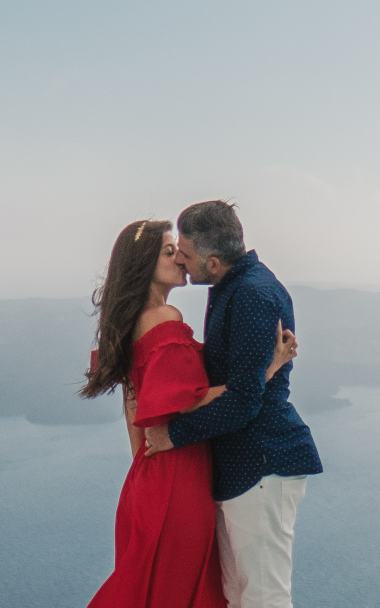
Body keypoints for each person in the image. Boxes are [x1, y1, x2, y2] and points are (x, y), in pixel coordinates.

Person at [81, 219, 297, 608]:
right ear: (144, 265)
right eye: (169, 251)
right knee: (181, 590)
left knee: (155, 586)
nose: (179, 257)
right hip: (181, 473)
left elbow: (134, 405)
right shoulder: (165, 319)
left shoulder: (132, 325)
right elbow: (187, 398)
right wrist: (268, 369)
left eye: (178, 250)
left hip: (151, 476)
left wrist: (147, 467)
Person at [142, 201, 322, 608]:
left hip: (263, 462)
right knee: (237, 598)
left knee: (263, 598)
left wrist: (173, 435)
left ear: (216, 262)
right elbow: (232, 373)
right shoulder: (234, 286)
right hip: (243, 467)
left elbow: (242, 401)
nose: (181, 263)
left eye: (185, 254)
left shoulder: (252, 294)